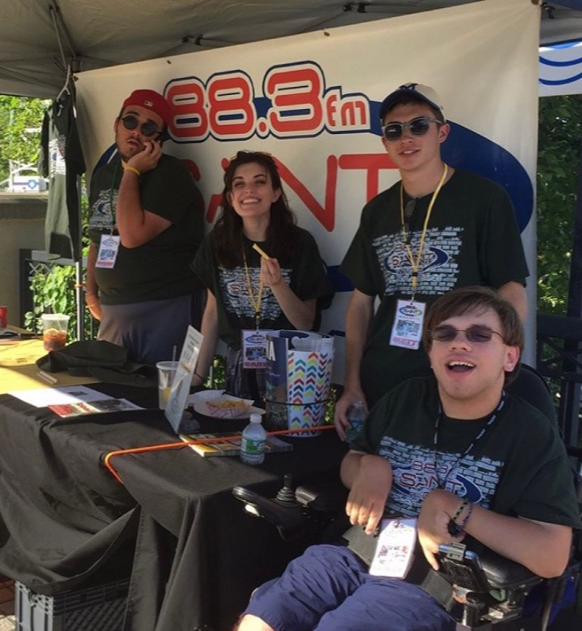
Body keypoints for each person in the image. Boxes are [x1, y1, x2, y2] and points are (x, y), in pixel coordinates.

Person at [235, 286, 581, 631]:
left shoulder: (531, 434)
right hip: (353, 551)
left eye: (479, 334)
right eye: (445, 334)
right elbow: (353, 460)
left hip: (434, 579)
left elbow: (552, 556)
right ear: (431, 353)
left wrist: (450, 506)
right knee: (261, 620)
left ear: (509, 357)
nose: (460, 343)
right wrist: (368, 466)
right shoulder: (406, 398)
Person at [334, 82, 529, 439]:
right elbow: (360, 303)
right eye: (394, 130)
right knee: (375, 479)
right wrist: (352, 384)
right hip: (384, 380)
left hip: (459, 378)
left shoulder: (483, 198)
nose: (406, 137)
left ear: (442, 132)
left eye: (418, 126)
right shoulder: (377, 211)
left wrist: (498, 365)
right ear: (384, 143)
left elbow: (511, 289)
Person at [191, 151, 334, 401]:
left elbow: (305, 323)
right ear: (230, 197)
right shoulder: (217, 243)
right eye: (240, 184)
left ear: (276, 193)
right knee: (240, 435)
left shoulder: (299, 243)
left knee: (280, 437)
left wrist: (278, 285)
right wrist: (196, 378)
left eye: (259, 182)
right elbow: (212, 313)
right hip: (238, 364)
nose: (250, 190)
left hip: (289, 367)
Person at [86, 89, 204, 365]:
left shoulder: (170, 173)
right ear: (116, 124)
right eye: (130, 121)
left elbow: (132, 236)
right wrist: (91, 293)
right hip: (115, 306)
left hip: (164, 303)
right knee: (113, 392)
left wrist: (132, 172)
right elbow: (97, 239)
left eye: (148, 127)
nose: (136, 131)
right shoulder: (104, 174)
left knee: (158, 396)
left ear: (157, 140)